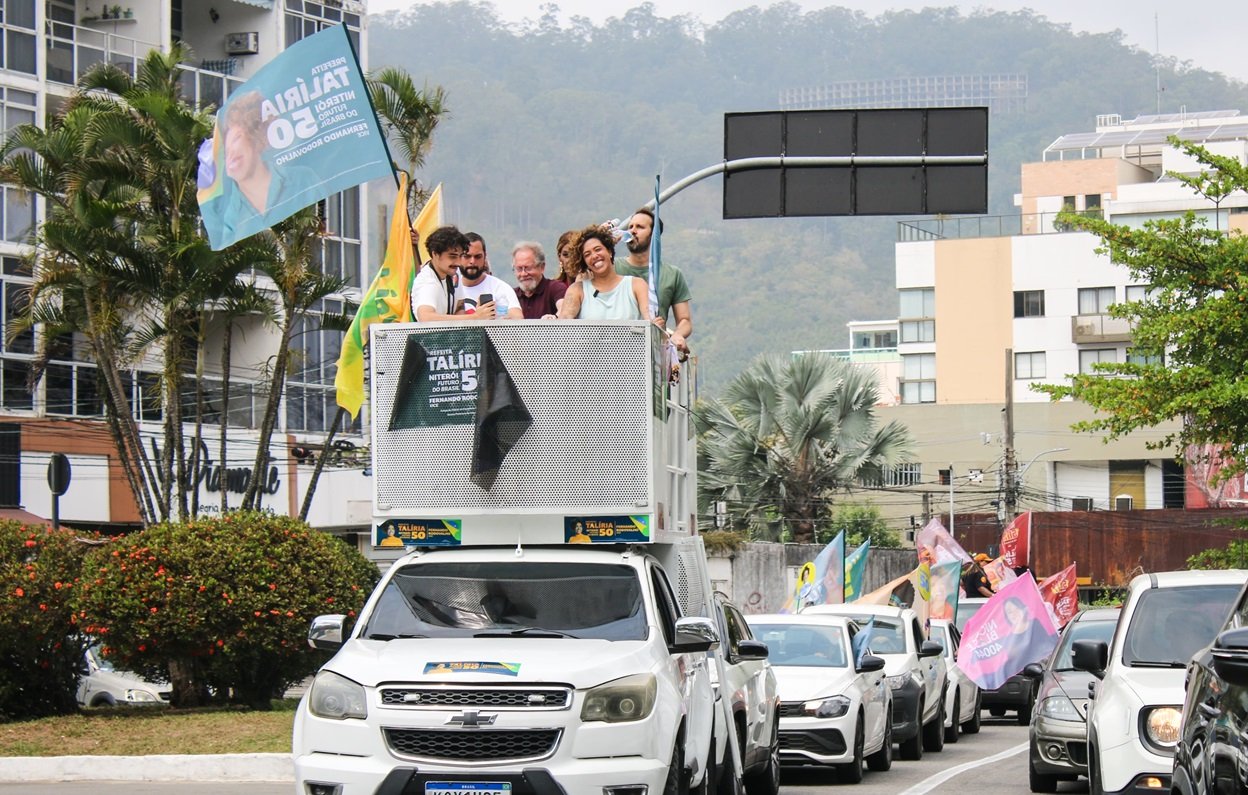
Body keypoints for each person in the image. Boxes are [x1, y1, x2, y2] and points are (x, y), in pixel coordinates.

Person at [199, 91, 319, 244]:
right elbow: (216, 246)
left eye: (237, 138)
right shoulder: (224, 205)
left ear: (258, 139)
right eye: (225, 146)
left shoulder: (302, 180)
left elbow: (315, 233)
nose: (230, 151)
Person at [617, 208, 692, 353]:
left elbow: (685, 320)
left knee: (674, 374)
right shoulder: (613, 268)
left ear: (654, 235)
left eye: (639, 227)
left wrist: (677, 335)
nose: (632, 231)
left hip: (656, 353)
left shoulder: (672, 274)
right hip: (617, 350)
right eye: (630, 227)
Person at [556, 226, 652, 321]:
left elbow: (651, 320)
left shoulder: (637, 285)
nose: (594, 256)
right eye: (587, 254)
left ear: (609, 251)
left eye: (598, 249)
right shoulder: (576, 290)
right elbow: (564, 324)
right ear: (584, 262)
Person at [412, 225, 488, 323]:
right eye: (452, 256)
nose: (458, 263)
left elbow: (460, 305)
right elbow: (425, 317)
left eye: (460, 256)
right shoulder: (428, 282)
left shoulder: (453, 274)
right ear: (435, 254)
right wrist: (475, 317)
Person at [455, 233, 522, 318]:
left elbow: (517, 317)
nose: (472, 261)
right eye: (467, 256)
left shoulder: (500, 288)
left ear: (485, 256)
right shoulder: (452, 289)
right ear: (458, 257)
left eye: (478, 257)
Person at [512, 241, 566, 319]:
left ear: (542, 267)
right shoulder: (512, 295)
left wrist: (555, 317)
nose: (523, 274)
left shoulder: (555, 288)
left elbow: (564, 308)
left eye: (528, 268)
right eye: (519, 269)